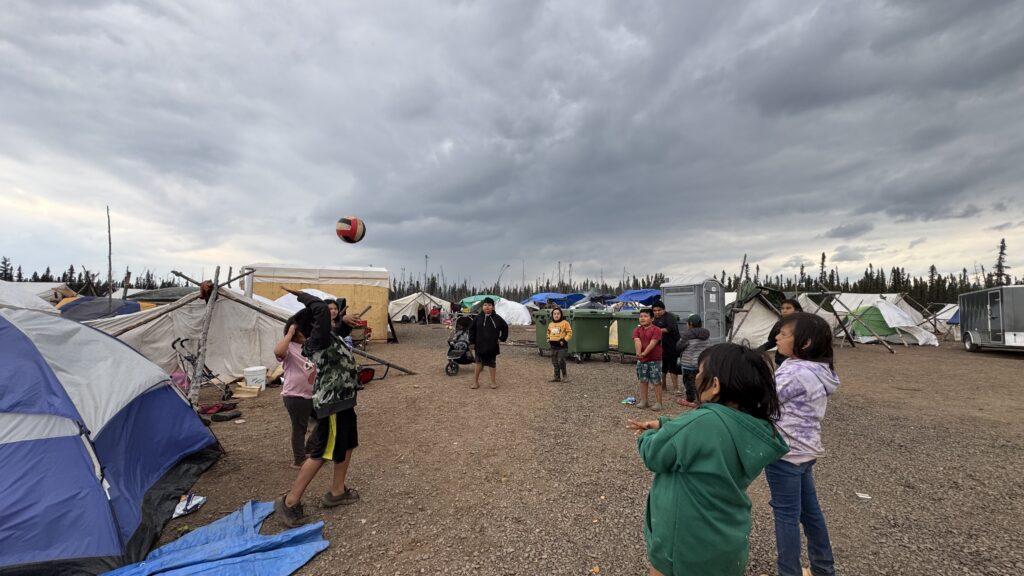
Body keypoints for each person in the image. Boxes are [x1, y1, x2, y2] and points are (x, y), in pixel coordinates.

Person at [627, 343, 789, 576]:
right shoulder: (755, 424)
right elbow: (702, 434)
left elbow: (655, 455)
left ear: (714, 385)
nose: (696, 377)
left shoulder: (702, 422)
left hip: (684, 540)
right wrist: (666, 424)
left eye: (700, 372)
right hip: (725, 537)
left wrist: (648, 435)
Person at [275, 290, 362, 528]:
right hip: (332, 404)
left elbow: (336, 328)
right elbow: (322, 312)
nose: (328, 320)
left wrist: (343, 321)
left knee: (347, 444)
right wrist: (303, 295)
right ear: (312, 328)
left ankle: (337, 492)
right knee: (323, 451)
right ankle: (290, 502)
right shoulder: (317, 341)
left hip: (344, 402)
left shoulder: (327, 337)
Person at [765, 312, 838, 576]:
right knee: (810, 513)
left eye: (783, 334)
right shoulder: (819, 370)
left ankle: (789, 572)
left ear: (804, 343)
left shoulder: (795, 372)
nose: (777, 337)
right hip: (805, 452)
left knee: (786, 516)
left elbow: (764, 402)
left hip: (784, 453)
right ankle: (823, 569)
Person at [273, 316, 317, 469]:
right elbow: (278, 351)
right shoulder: (289, 347)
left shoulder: (309, 346)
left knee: (327, 418)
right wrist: (290, 333)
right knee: (300, 427)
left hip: (313, 393)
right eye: (300, 332)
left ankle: (311, 446)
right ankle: (299, 460)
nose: (304, 334)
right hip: (295, 395)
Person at [468, 297, 509, 389]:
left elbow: (505, 327)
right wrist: (471, 341)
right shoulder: (478, 318)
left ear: (493, 307)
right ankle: (475, 382)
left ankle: (493, 382)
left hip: (492, 346)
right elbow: (471, 329)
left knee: (492, 363)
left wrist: (501, 338)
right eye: (485, 305)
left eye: (489, 305)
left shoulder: (497, 318)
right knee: (478, 363)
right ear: (482, 307)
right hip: (479, 345)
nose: (487, 307)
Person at [676, 314, 712, 407]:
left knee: (689, 382)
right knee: (701, 381)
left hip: (689, 363)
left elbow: (679, 347)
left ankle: (691, 400)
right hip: (701, 363)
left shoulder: (688, 335)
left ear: (690, 324)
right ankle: (701, 398)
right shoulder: (706, 334)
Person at [757, 298, 803, 367]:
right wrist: (759, 350)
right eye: (782, 308)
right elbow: (772, 341)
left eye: (788, 308)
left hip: (800, 362)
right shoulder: (779, 324)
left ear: (797, 310)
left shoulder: (804, 325)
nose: (784, 311)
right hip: (781, 361)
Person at [632, 308, 663, 410]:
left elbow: (653, 343)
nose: (642, 318)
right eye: (641, 316)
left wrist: (644, 353)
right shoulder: (637, 330)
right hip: (642, 360)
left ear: (652, 318)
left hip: (654, 360)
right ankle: (644, 401)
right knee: (643, 380)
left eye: (645, 316)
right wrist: (638, 353)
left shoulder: (657, 330)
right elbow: (637, 341)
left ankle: (659, 403)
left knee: (656, 381)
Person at [651, 301, 682, 396]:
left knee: (673, 368)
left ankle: (676, 388)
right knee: (662, 367)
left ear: (664, 309)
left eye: (659, 310)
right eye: (654, 310)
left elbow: (669, 329)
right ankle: (663, 386)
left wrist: (655, 330)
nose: (656, 312)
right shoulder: (654, 319)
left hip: (672, 345)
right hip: (660, 346)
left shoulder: (670, 317)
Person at [546, 306, 573, 382]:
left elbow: (570, 333)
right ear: (552, 315)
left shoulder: (565, 323)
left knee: (561, 360)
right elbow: (548, 332)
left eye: (558, 313)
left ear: (561, 314)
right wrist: (548, 339)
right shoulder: (550, 324)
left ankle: (565, 376)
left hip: (562, 346)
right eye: (554, 314)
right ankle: (556, 377)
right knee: (554, 362)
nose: (556, 315)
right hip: (553, 346)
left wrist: (564, 340)